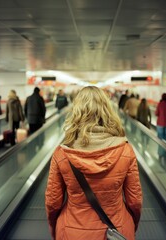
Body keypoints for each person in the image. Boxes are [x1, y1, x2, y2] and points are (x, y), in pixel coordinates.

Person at [45, 86, 143, 240]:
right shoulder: (125, 150)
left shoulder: (62, 153)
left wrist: (54, 227)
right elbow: (135, 201)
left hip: (72, 231)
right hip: (116, 229)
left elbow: (53, 202)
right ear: (107, 110)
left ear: (77, 111)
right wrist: (131, 225)